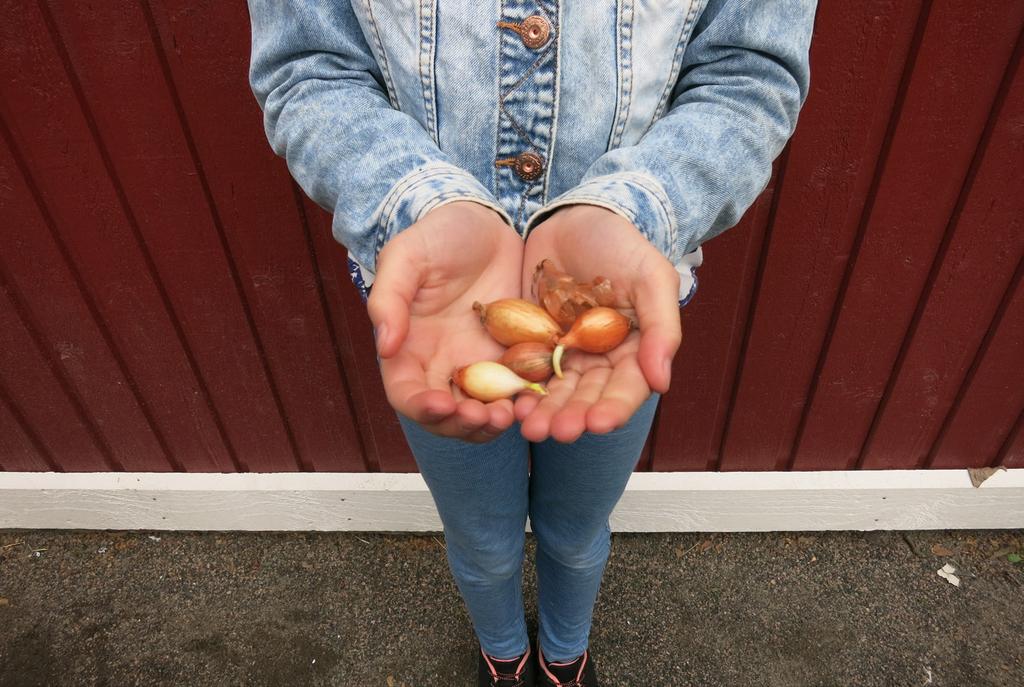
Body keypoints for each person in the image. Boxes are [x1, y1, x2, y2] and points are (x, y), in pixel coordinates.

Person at [248, 1, 816, 684]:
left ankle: (564, 656)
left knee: (576, 534)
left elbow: (748, 75)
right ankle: (505, 655)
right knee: (483, 541)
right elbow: (310, 67)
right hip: (440, 314)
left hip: (612, 304)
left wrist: (628, 207)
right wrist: (419, 200)